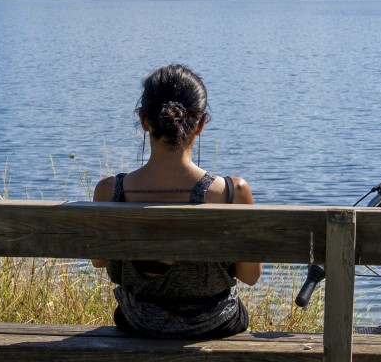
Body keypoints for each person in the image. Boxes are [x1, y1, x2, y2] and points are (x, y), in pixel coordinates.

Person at [89, 64, 260, 340]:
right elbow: (250, 276)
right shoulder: (233, 193)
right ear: (201, 124)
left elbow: (99, 261)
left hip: (138, 322)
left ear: (144, 120)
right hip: (213, 325)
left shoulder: (109, 191)